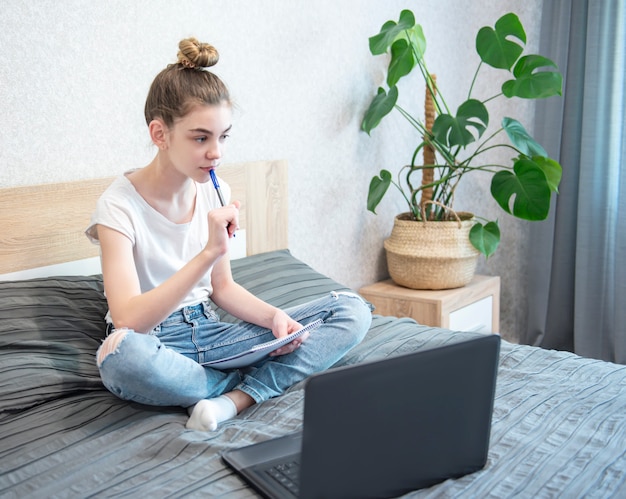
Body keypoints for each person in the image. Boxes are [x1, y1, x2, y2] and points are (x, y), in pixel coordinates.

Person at [86, 37, 372, 431]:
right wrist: (207, 253)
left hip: (210, 331)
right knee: (120, 358)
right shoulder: (118, 206)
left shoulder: (214, 190)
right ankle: (239, 386)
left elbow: (222, 289)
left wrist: (276, 319)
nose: (216, 152)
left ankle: (233, 399)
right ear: (160, 134)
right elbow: (129, 319)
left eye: (223, 137)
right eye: (201, 138)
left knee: (352, 310)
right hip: (156, 340)